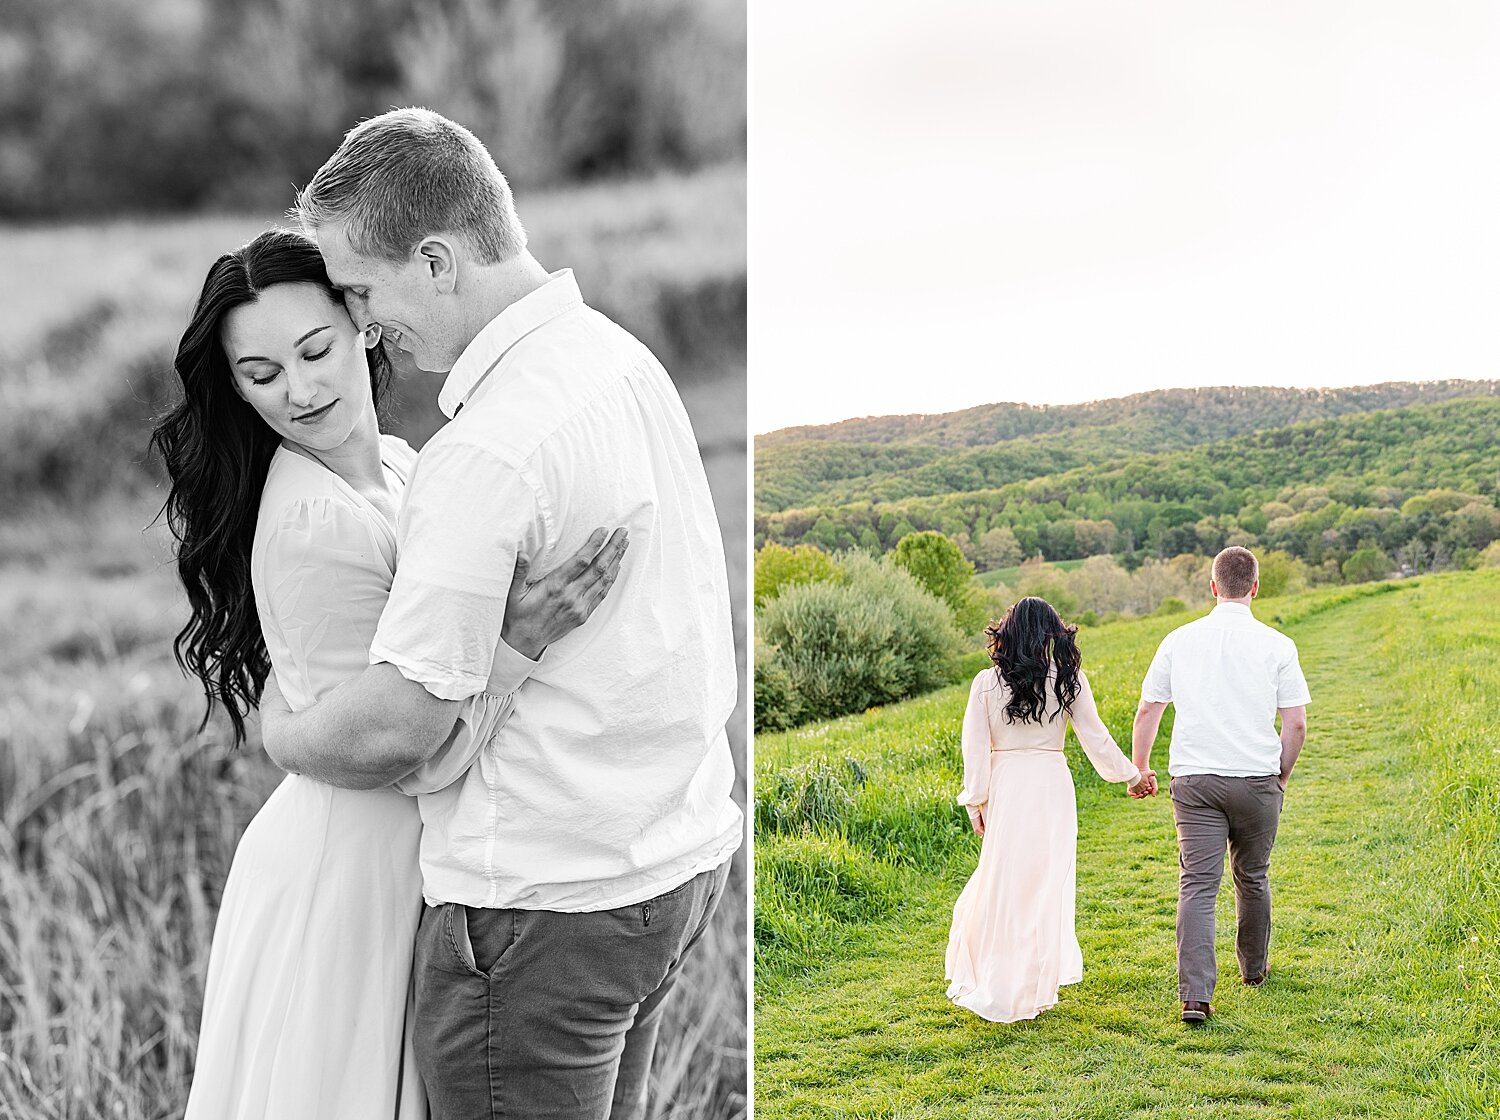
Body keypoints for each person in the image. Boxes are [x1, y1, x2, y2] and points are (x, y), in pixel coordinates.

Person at [257, 108, 742, 1120]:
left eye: (361, 290)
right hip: (666, 865)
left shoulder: (488, 446)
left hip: (540, 911)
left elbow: (403, 722)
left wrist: (286, 730)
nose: (365, 323)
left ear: (437, 260)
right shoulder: (618, 359)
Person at [150, 229, 625, 1118]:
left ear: (362, 325)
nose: (299, 389)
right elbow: (404, 754)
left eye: (314, 349)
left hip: (395, 852)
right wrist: (518, 643)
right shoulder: (313, 523)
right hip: (350, 866)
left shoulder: (402, 467)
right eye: (261, 374)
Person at [946, 596, 1150, 1023]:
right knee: (1044, 885)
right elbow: (1097, 739)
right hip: (1051, 786)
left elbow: (975, 751)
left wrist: (975, 803)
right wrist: (1133, 776)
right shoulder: (1068, 681)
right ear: (1051, 634)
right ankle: (1030, 986)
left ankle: (1009, 979)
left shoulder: (985, 684)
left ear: (1009, 632)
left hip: (1007, 787)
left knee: (1005, 882)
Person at [1132, 545, 1310, 1024]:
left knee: (1197, 884)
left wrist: (1141, 767)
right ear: (1255, 587)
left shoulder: (1178, 639)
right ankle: (1253, 971)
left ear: (1213, 587)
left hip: (1195, 780)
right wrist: (1282, 775)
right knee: (1252, 876)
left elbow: (1150, 708)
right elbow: (1294, 725)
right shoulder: (1278, 644)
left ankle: (1195, 996)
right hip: (1256, 778)